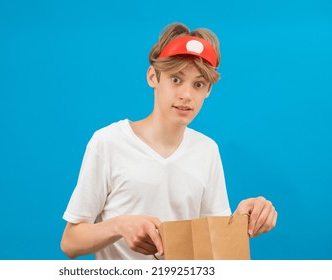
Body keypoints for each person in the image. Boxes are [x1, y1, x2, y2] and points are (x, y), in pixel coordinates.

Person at [60, 23, 277, 260]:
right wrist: (118, 226)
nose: (186, 94)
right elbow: (70, 243)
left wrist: (245, 218)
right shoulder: (108, 142)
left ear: (208, 91)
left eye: (198, 84)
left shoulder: (207, 150)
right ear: (153, 77)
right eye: (176, 79)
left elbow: (216, 247)